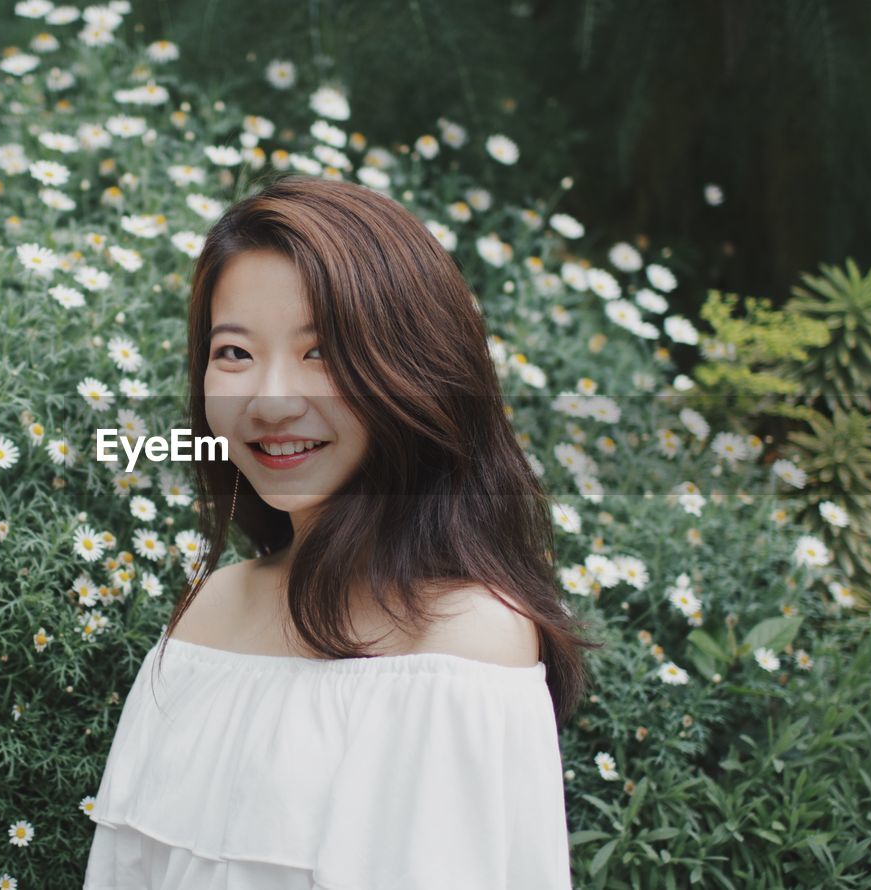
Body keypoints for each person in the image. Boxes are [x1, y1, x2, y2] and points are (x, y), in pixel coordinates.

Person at [84, 174, 600, 889]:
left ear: (414, 371)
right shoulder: (209, 613)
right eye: (234, 353)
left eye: (320, 352)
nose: (270, 401)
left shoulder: (465, 643)